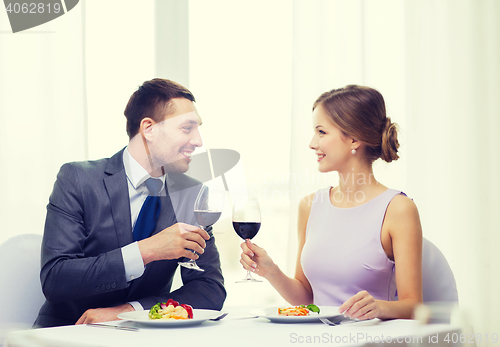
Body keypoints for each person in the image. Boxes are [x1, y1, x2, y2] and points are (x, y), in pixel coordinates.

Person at [35, 78, 226, 328]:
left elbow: (209, 289)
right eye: (187, 128)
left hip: (146, 335)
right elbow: (56, 279)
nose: (199, 141)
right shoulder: (78, 180)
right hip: (70, 331)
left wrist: (132, 310)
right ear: (149, 128)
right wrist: (148, 250)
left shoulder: (191, 193)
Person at [240, 85, 422, 320]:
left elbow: (414, 306)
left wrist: (379, 307)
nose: (312, 143)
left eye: (322, 132)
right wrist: (271, 271)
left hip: (371, 341)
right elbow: (306, 298)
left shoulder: (398, 209)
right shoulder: (310, 206)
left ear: (354, 138)